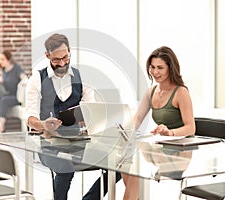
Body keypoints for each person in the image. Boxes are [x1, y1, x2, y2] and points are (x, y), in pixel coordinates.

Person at [25, 33, 121, 200]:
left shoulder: (83, 77)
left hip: (80, 143)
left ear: (70, 52)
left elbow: (90, 109)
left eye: (65, 57)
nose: (62, 63)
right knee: (65, 168)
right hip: (47, 144)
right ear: (47, 56)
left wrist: (89, 119)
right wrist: (43, 124)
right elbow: (30, 118)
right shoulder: (37, 79)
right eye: (56, 60)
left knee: (118, 165)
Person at [121, 46, 195, 200]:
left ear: (170, 68)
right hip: (160, 148)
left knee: (136, 168)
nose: (155, 72)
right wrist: (124, 130)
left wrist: (170, 132)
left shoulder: (181, 92)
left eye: (160, 68)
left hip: (180, 153)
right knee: (124, 162)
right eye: (152, 67)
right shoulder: (152, 92)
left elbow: (191, 127)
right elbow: (138, 119)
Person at [0, 50, 27, 133]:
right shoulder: (4, 71)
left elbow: (23, 77)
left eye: (2, 59)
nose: (0, 61)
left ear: (8, 59)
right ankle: (0, 124)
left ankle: (0, 128)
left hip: (17, 97)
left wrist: (25, 81)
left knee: (3, 100)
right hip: (10, 95)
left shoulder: (16, 68)